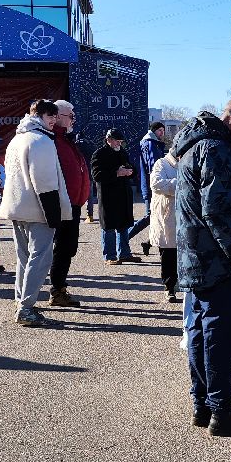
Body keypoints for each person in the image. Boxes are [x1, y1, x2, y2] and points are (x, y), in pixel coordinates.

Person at [173, 94, 231, 438]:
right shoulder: (218, 150)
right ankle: (222, 411)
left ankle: (203, 404)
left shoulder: (198, 146)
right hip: (217, 261)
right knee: (220, 335)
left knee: (200, 330)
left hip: (198, 257)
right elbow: (218, 210)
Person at [0, 100, 69, 327]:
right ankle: (26, 307)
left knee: (23, 257)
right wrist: (53, 216)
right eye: (51, 116)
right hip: (37, 209)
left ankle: (20, 300)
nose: (54, 120)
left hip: (17, 207)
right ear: (39, 115)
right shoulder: (41, 141)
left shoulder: (17, 139)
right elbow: (45, 182)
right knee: (40, 258)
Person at [46, 99, 91, 308]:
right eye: (70, 116)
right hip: (59, 205)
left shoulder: (66, 139)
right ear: (58, 117)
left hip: (72, 205)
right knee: (56, 249)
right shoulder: (50, 140)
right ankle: (53, 290)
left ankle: (59, 289)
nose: (73, 119)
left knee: (67, 248)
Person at [91, 129, 138, 265]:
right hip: (108, 196)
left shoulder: (122, 152)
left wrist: (130, 171)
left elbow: (131, 168)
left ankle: (124, 253)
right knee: (109, 226)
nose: (119, 143)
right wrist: (117, 173)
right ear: (109, 140)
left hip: (123, 195)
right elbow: (96, 176)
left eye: (121, 142)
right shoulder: (99, 154)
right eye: (117, 141)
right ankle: (110, 256)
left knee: (123, 225)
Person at [127, 120, 167, 256]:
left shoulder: (153, 143)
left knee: (159, 216)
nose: (162, 133)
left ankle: (148, 242)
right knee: (151, 216)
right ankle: (123, 240)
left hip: (152, 185)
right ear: (153, 131)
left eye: (163, 130)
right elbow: (154, 167)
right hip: (152, 186)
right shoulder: (150, 143)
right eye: (160, 130)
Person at [149, 146, 181, 302]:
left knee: (182, 255)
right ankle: (169, 287)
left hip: (183, 218)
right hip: (166, 218)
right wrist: (182, 184)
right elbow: (156, 184)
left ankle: (178, 284)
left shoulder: (188, 163)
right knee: (168, 255)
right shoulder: (161, 164)